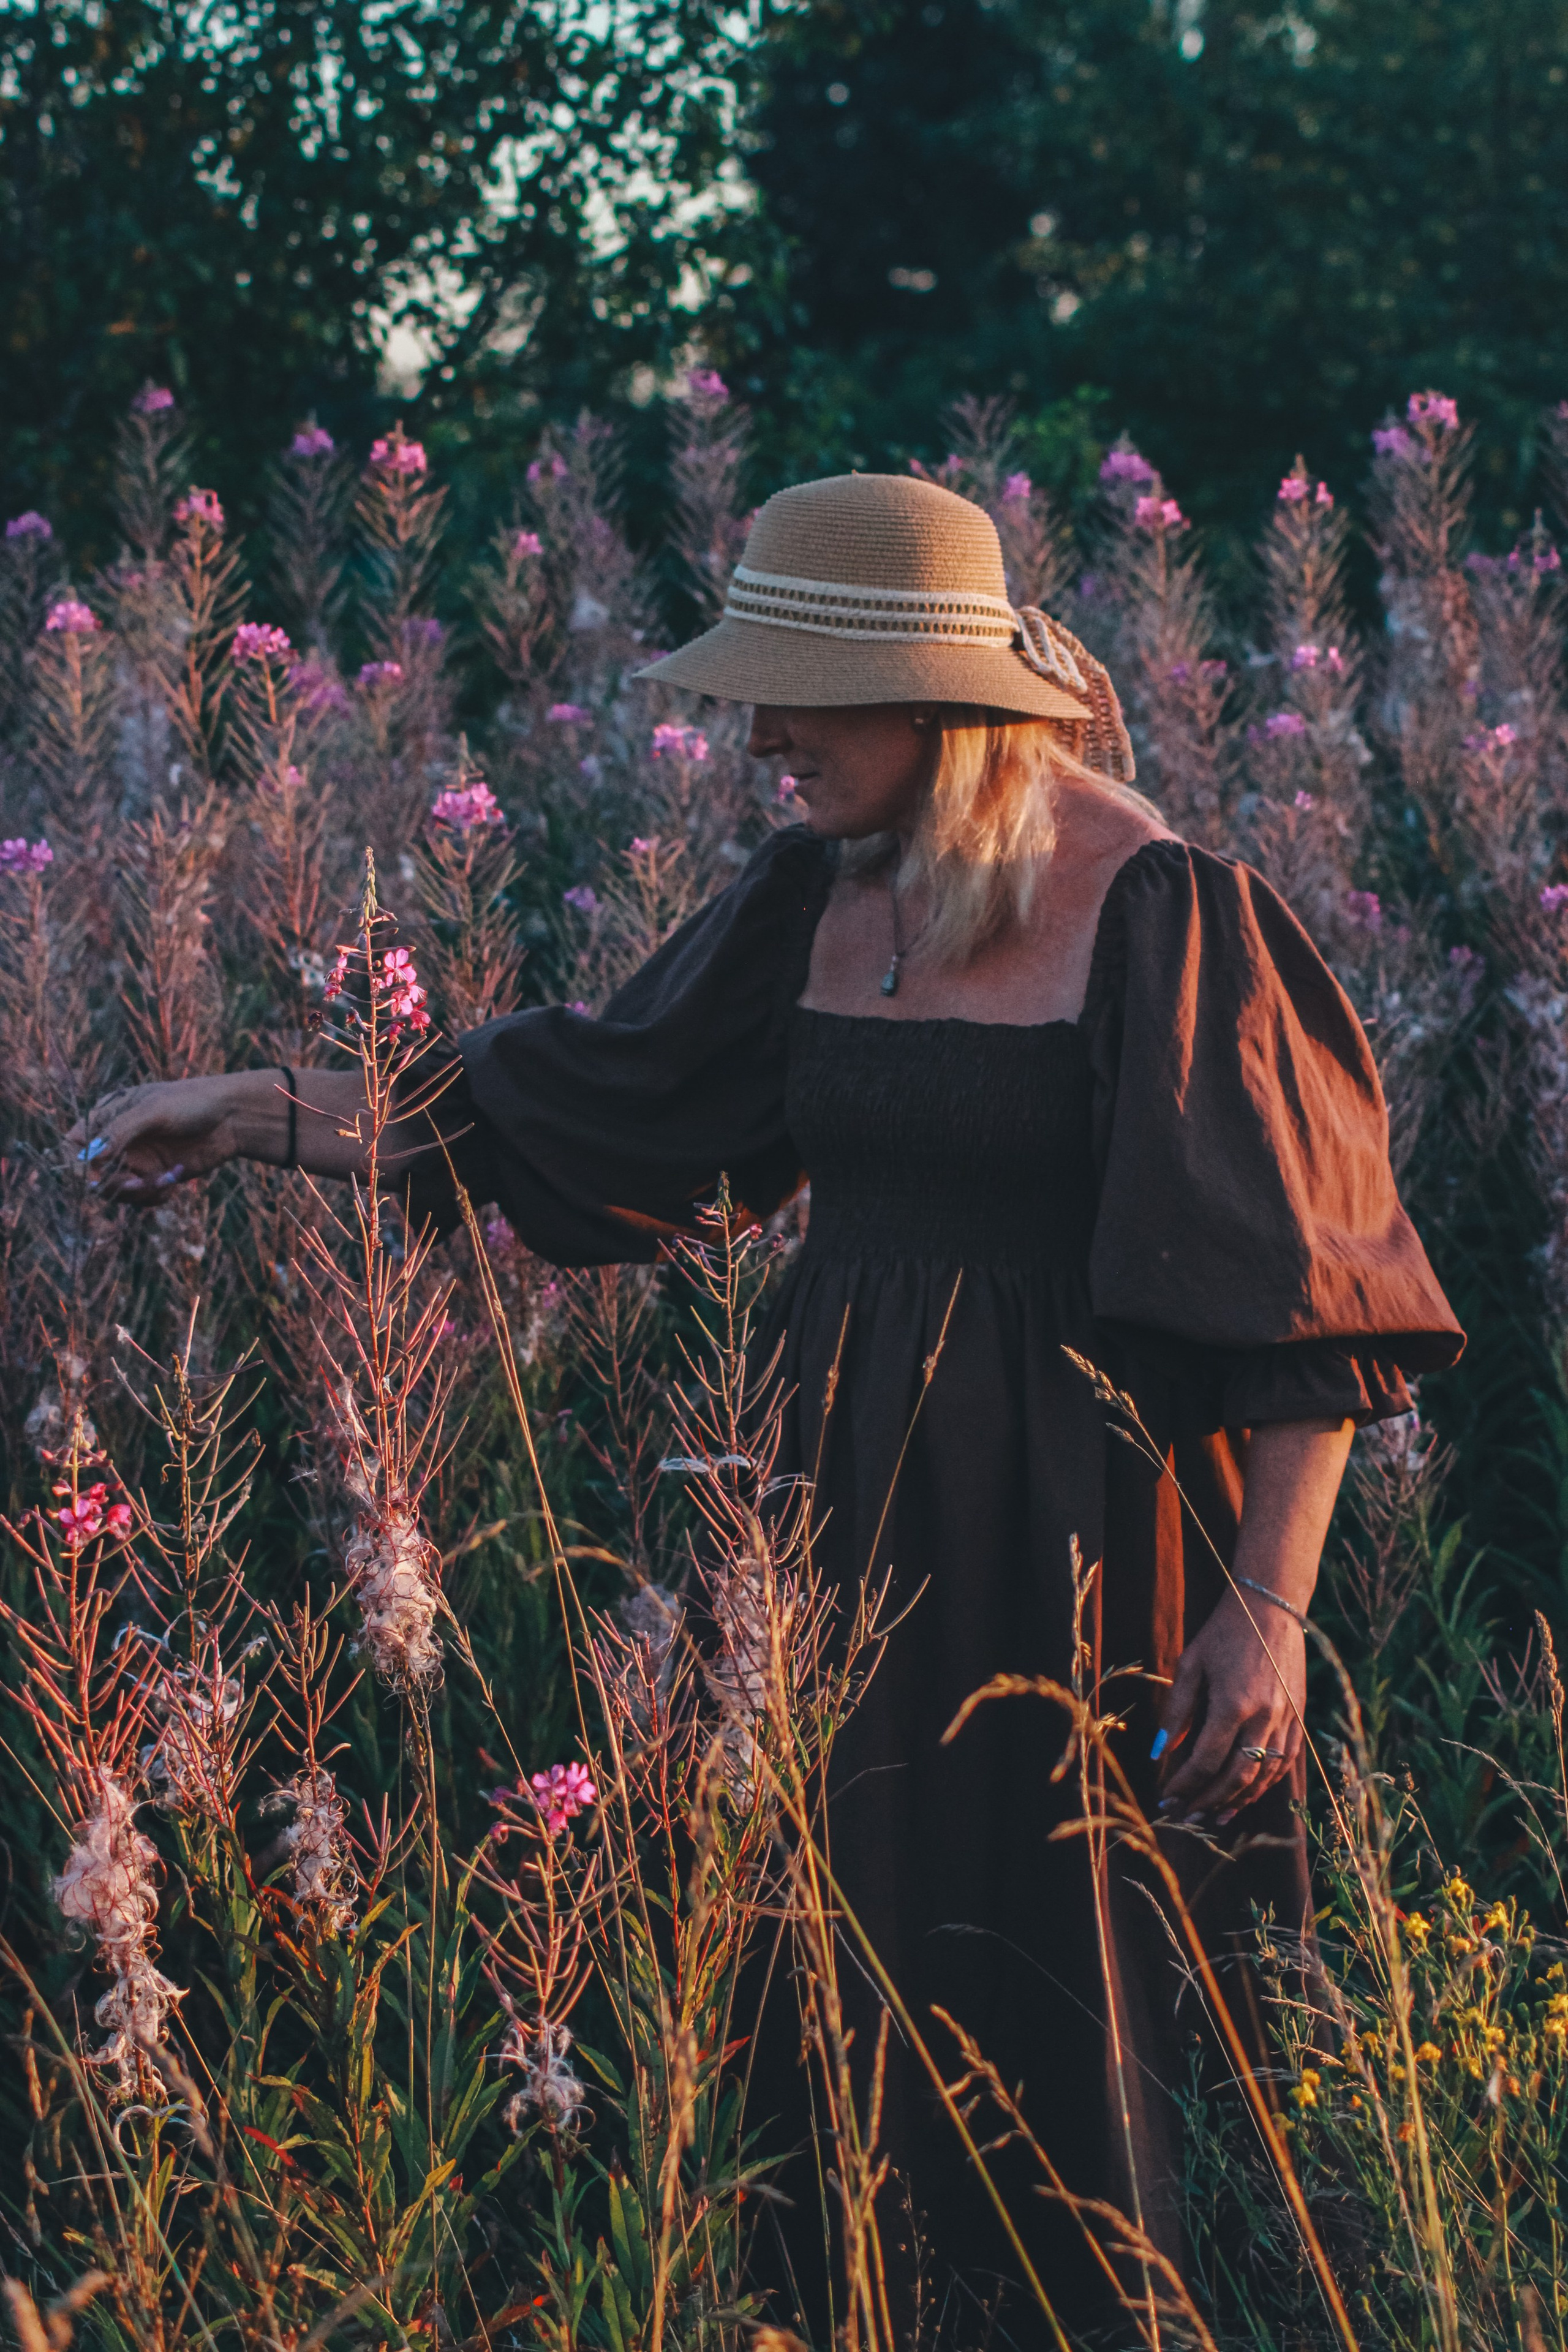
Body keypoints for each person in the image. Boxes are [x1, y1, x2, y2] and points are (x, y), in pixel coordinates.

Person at [77, 473, 1463, 2344]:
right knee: (852, 1985)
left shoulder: (1163, 914)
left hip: (1097, 1557)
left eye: (798, 694)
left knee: (1093, 2001)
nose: (760, 738)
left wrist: (1272, 1611)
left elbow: (1308, 1307)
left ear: (936, 704)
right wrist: (242, 1110)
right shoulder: (812, 899)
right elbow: (571, 1109)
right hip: (838, 1536)